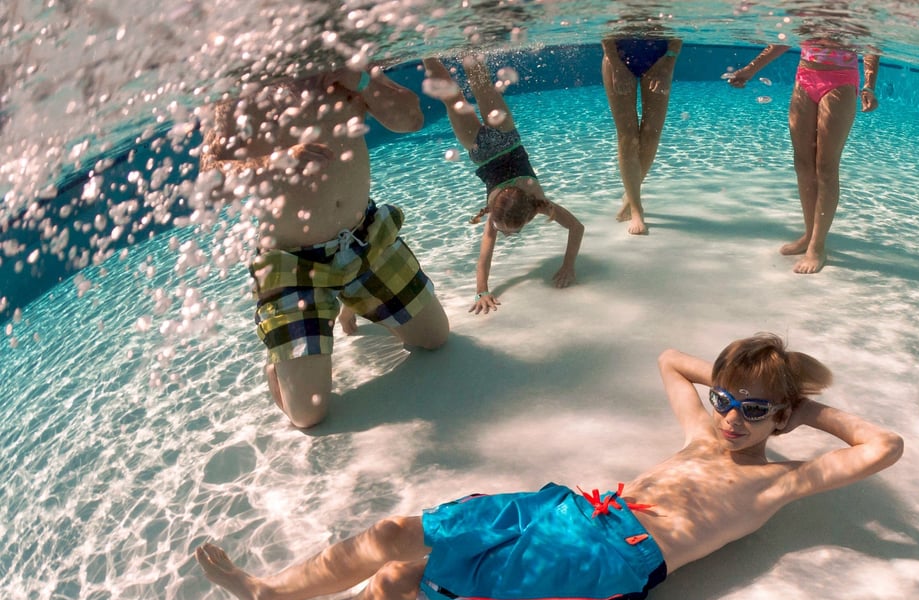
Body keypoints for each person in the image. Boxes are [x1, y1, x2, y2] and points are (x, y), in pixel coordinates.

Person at [149, 332, 904, 600]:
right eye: (727, 403)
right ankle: (272, 594)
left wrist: (803, 409)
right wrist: (741, 380)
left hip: (603, 564)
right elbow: (673, 360)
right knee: (387, 538)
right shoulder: (701, 431)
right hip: (568, 507)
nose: (734, 420)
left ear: (784, 420)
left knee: (392, 590)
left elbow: (884, 445)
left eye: (754, 413)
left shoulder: (781, 484)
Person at [199, 65, 450, 428]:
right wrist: (274, 163)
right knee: (307, 415)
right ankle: (281, 355)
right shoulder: (240, 84)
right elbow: (210, 176)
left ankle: (353, 302)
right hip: (294, 264)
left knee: (435, 338)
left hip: (365, 239)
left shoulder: (340, 60)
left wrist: (361, 80)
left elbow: (411, 119)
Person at [422, 56, 584, 315]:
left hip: (505, 136)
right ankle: (436, 53)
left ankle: (435, 53)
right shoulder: (529, 206)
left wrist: (483, 290)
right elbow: (575, 227)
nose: (505, 235)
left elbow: (577, 227)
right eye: (511, 231)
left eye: (504, 231)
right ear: (529, 213)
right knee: (464, 92)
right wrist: (567, 266)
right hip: (482, 146)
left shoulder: (531, 205)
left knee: (473, 88)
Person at [728, 41, 880, 274]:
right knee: (802, 163)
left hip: (840, 79)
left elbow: (871, 41)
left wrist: (868, 86)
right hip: (805, 76)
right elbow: (784, 39)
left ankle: (818, 246)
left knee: (826, 166)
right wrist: (750, 70)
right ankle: (809, 234)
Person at [601, 34, 682, 235]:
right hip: (617, 57)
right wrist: (617, 65)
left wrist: (668, 62)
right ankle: (637, 210)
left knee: (651, 134)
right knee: (628, 136)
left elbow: (678, 35)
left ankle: (629, 198)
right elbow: (607, 33)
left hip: (661, 56)